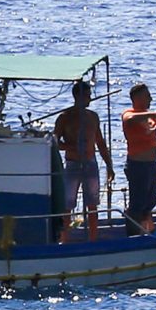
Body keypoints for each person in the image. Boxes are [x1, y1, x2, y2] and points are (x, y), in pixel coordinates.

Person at [52, 79, 111, 242]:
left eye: (90, 95)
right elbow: (55, 143)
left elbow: (100, 143)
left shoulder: (93, 117)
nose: (90, 98)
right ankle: (66, 240)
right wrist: (69, 146)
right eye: (87, 95)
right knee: (67, 204)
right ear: (78, 96)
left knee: (92, 205)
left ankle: (93, 239)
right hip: (72, 164)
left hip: (91, 163)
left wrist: (109, 165)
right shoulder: (64, 117)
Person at [120, 82, 156, 234]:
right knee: (137, 204)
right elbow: (129, 119)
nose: (150, 99)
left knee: (149, 202)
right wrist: (151, 115)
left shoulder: (147, 116)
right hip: (138, 165)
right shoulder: (130, 114)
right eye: (147, 96)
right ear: (137, 98)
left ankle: (146, 229)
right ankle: (133, 234)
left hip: (151, 165)